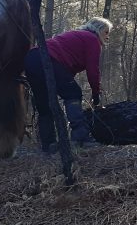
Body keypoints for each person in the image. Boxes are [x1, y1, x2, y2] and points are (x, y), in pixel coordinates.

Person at [24, 17, 113, 148]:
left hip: (31, 59)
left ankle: (49, 145)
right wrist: (96, 93)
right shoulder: (92, 39)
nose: (107, 37)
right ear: (98, 29)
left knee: (44, 103)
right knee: (73, 92)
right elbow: (93, 69)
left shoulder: (76, 35)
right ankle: (80, 138)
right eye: (106, 32)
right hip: (47, 58)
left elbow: (66, 69)